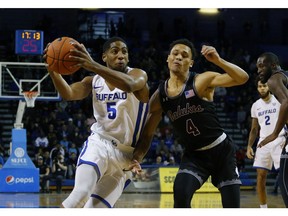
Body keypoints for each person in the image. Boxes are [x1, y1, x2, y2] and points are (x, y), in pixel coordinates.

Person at [132, 38, 249, 208]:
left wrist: (218, 60)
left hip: (221, 151)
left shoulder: (202, 81)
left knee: (232, 206)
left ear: (191, 63)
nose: (178, 57)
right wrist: (136, 157)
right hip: (194, 156)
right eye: (175, 54)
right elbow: (148, 133)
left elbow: (242, 78)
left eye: (184, 55)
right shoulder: (159, 96)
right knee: (180, 194)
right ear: (168, 58)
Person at [43, 36, 149, 207]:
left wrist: (91, 64)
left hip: (126, 158)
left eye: (124, 51)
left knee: (93, 208)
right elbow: (68, 93)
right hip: (99, 143)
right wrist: (53, 71)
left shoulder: (137, 75)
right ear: (104, 57)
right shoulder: (93, 81)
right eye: (114, 51)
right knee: (80, 194)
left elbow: (130, 85)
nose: (120, 55)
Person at [246, 76, 286, 208]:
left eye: (264, 86)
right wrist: (249, 146)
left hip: (280, 139)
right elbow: (254, 129)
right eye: (259, 86)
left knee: (285, 175)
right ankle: (263, 209)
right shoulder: (255, 105)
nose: (262, 88)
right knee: (261, 176)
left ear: (269, 87)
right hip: (263, 142)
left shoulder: (279, 100)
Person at [256, 52, 288, 207]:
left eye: (262, 65)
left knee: (285, 183)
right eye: (257, 67)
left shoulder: (273, 79)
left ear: (273, 65)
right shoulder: (285, 76)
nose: (258, 70)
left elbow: (287, 102)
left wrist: (274, 133)